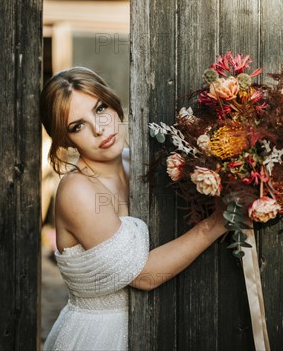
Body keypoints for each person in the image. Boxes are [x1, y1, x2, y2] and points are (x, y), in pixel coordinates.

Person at [40, 67, 227, 351]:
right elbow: (143, 276)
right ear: (66, 140)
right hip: (99, 337)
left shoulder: (139, 163)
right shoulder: (77, 191)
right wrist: (221, 220)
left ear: (113, 104)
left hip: (159, 328)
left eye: (100, 108)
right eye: (77, 126)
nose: (99, 128)